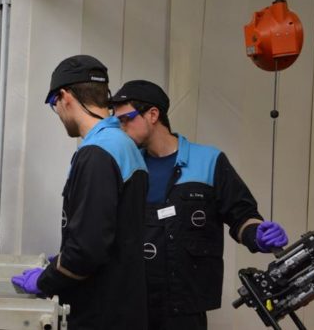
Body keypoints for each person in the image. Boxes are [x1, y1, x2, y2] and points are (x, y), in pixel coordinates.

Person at [109, 79, 289, 330]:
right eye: (118, 120)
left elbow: (241, 214)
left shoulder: (209, 161)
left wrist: (257, 233)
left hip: (185, 307)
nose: (122, 126)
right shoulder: (127, 165)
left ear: (152, 114)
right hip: (135, 300)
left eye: (127, 118)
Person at [11, 55, 149, 329]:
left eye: (54, 104)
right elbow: (113, 234)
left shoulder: (97, 153)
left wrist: (46, 279)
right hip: (123, 304)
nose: (58, 112)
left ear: (65, 97)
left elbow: (88, 250)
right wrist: (62, 261)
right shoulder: (123, 145)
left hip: (101, 312)